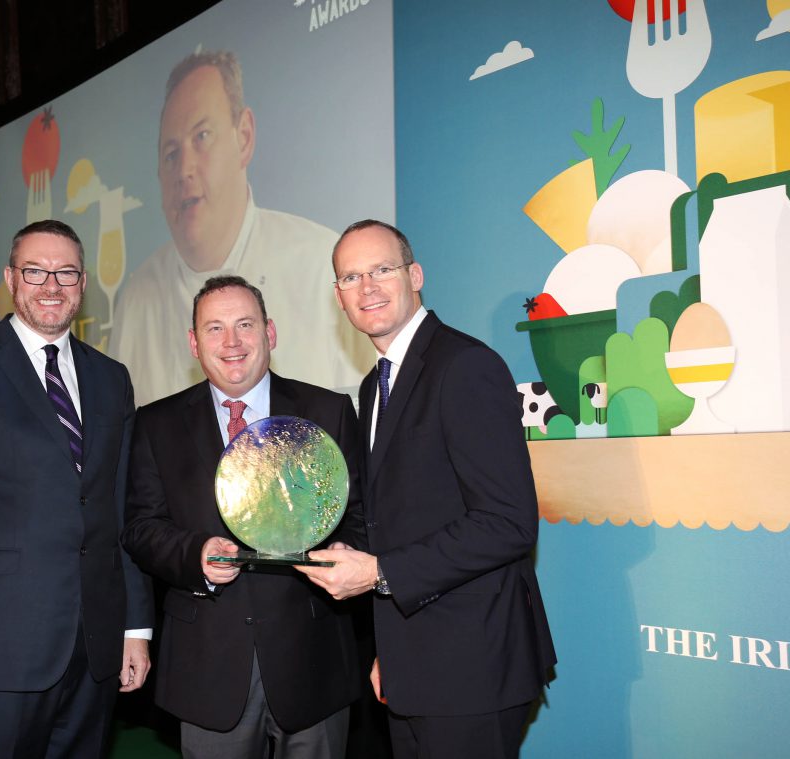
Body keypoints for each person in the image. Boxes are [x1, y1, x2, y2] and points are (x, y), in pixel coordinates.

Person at [296, 220, 557, 759]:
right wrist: (389, 642)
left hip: (474, 666)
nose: (366, 287)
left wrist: (379, 571)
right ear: (338, 298)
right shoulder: (375, 386)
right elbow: (401, 519)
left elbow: (508, 522)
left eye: (381, 270)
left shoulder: (465, 366)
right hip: (413, 664)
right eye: (350, 276)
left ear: (414, 275)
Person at [0, 219, 153, 758]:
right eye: (35, 271)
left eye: (65, 273)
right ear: (10, 279)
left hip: (94, 650)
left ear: (83, 283)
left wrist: (135, 625)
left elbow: (117, 512)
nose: (51, 285)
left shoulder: (113, 378)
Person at [121, 275, 363, 759]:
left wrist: (343, 548)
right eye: (214, 329)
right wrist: (194, 555)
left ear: (270, 333)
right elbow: (140, 526)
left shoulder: (327, 411)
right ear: (193, 343)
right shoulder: (155, 423)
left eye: (245, 325)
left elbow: (360, 515)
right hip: (207, 665)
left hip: (311, 659)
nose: (231, 343)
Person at [109, 50, 373, 406]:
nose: (184, 169)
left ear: (244, 137)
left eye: (202, 137)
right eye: (170, 154)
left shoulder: (319, 266)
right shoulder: (136, 299)